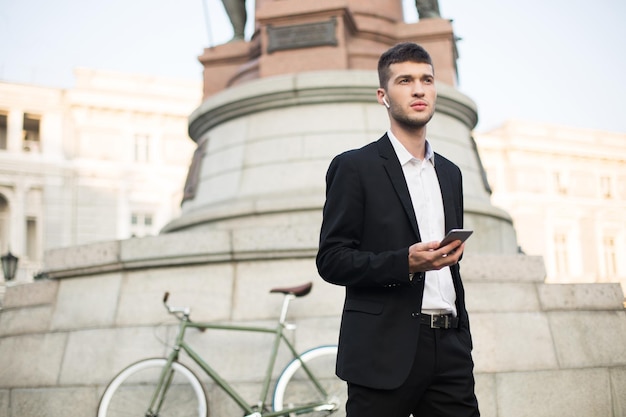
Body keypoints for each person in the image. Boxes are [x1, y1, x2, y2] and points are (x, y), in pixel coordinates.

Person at [316, 42, 480, 417]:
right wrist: (404, 263)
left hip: (451, 349)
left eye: (427, 79)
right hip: (382, 351)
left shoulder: (450, 173)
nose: (419, 89)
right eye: (405, 80)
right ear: (383, 96)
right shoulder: (354, 167)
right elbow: (332, 260)